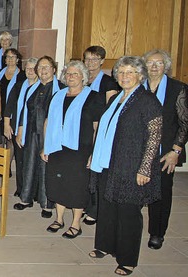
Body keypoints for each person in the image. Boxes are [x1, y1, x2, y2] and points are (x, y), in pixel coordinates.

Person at [89, 56, 162, 276]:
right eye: (121, 72)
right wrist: (94, 155)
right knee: (108, 206)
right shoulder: (117, 98)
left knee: (128, 211)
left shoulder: (147, 100)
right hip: (108, 162)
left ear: (140, 75)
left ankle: (127, 258)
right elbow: (104, 130)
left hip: (131, 165)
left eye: (130, 72)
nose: (124, 76)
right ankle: (105, 245)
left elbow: (154, 136)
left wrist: (145, 168)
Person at [43, 61, 103, 239]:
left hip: (80, 150)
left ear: (83, 76)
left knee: (77, 186)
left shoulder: (93, 97)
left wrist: (94, 153)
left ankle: (76, 223)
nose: (71, 77)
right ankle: (59, 218)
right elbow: (48, 121)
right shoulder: (58, 95)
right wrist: (45, 146)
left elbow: (97, 127)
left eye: (75, 74)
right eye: (68, 74)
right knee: (57, 184)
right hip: (56, 148)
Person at [143, 49, 188, 250]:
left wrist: (175, 151)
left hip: (165, 152)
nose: (154, 66)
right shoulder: (139, 86)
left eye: (159, 63)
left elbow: (185, 123)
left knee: (160, 193)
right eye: (150, 63)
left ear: (166, 66)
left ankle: (157, 233)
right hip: (139, 150)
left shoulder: (177, 89)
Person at [13, 56, 64, 218]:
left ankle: (47, 204)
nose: (43, 70)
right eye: (40, 68)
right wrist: (20, 131)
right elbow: (24, 111)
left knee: (45, 167)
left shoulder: (60, 89)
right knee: (28, 164)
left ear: (54, 69)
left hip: (48, 135)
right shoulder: (32, 88)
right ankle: (26, 198)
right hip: (31, 132)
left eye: (46, 67)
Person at [81, 45, 121, 225]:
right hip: (84, 130)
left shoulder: (108, 82)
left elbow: (109, 110)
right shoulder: (83, 80)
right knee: (84, 170)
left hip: (100, 130)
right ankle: (84, 204)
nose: (90, 63)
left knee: (95, 170)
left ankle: (94, 210)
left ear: (102, 61)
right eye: (87, 59)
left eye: (94, 59)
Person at [4, 58, 37, 197]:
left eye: (33, 68)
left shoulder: (41, 88)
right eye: (27, 68)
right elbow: (9, 106)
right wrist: (6, 124)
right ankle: (21, 188)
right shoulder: (18, 86)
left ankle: (33, 191)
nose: (29, 71)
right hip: (18, 128)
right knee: (20, 160)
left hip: (34, 130)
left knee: (33, 161)